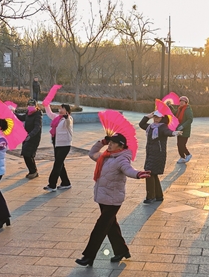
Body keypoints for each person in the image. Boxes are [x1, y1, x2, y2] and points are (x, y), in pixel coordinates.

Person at [75, 133, 151, 266]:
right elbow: (92, 153)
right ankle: (122, 251)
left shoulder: (121, 159)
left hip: (113, 200)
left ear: (121, 146)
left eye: (113, 143)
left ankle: (88, 256)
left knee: (100, 227)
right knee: (111, 226)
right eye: (109, 142)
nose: (110, 144)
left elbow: (128, 169)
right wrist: (102, 142)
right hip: (103, 197)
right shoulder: (105, 156)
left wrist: (138, 174)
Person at [139, 110, 182, 204]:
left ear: (162, 118)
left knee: (149, 173)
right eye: (155, 117)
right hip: (150, 153)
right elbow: (141, 124)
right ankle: (158, 196)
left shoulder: (162, 127)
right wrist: (147, 116)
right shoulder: (151, 127)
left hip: (158, 154)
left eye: (158, 117)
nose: (155, 119)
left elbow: (167, 132)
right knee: (153, 174)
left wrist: (174, 133)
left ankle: (150, 197)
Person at [43, 103, 73, 192]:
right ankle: (66, 183)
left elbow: (68, 123)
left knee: (57, 164)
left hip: (65, 145)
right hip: (57, 144)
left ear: (67, 110)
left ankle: (52, 185)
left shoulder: (69, 119)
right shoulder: (57, 118)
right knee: (60, 164)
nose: (60, 109)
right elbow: (50, 113)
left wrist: (66, 117)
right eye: (60, 108)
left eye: (62, 108)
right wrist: (46, 105)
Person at [15, 99, 42, 179]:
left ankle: (33, 171)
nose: (30, 107)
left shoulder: (38, 115)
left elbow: (37, 127)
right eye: (29, 105)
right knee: (26, 154)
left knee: (28, 154)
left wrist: (30, 135)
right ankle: (32, 171)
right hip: (26, 137)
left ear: (36, 106)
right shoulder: (28, 113)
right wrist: (13, 113)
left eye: (32, 105)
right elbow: (22, 118)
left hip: (33, 138)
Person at [176, 95, 194, 163]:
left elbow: (190, 119)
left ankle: (188, 154)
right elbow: (175, 114)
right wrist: (170, 106)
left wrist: (183, 126)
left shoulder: (187, 110)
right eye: (180, 101)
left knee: (182, 144)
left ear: (186, 102)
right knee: (179, 144)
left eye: (183, 101)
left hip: (185, 131)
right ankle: (182, 157)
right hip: (179, 130)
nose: (181, 102)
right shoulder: (179, 109)